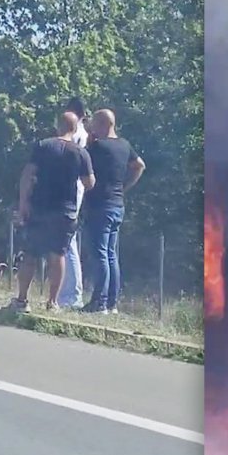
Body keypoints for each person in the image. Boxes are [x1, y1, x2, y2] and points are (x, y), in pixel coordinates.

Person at [8, 111, 94, 313]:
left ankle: (21, 301)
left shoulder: (43, 146)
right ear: (74, 129)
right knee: (58, 256)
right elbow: (89, 183)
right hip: (65, 211)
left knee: (30, 254)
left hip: (39, 207)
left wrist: (23, 203)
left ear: (57, 126)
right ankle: (52, 303)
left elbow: (27, 174)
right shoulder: (80, 153)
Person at [82, 109, 145, 314]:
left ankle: (99, 302)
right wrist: (125, 186)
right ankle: (112, 302)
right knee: (110, 254)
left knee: (99, 253)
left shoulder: (98, 146)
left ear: (102, 124)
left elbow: (82, 161)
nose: (91, 127)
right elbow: (139, 165)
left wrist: (89, 142)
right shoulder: (124, 145)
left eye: (93, 124)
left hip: (100, 204)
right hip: (118, 204)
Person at [58, 97, 90, 309]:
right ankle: (69, 293)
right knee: (67, 242)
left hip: (70, 188)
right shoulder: (84, 132)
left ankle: (72, 295)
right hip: (74, 188)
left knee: (67, 242)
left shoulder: (77, 133)